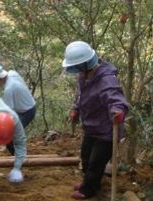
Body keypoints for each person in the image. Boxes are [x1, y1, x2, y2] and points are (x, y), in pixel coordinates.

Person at [62, 41, 129, 199]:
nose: (76, 70)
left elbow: (116, 99)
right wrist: (76, 109)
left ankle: (89, 190)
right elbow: (81, 96)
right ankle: (90, 182)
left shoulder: (106, 79)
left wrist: (118, 111)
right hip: (91, 127)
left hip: (106, 130)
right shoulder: (84, 76)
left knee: (95, 163)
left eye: (78, 66)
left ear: (85, 63)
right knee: (85, 157)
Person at [0, 61, 36, 155]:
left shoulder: (9, 89)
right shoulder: (12, 73)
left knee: (9, 138)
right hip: (27, 107)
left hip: (27, 112)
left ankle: (19, 157)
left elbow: (8, 114)